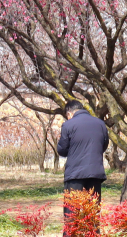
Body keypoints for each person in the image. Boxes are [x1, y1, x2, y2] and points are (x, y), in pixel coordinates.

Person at [57, 100, 109, 235]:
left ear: (69, 113)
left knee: (71, 214)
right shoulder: (100, 124)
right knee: (92, 213)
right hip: (95, 173)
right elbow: (104, 145)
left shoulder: (68, 125)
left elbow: (62, 150)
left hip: (75, 175)